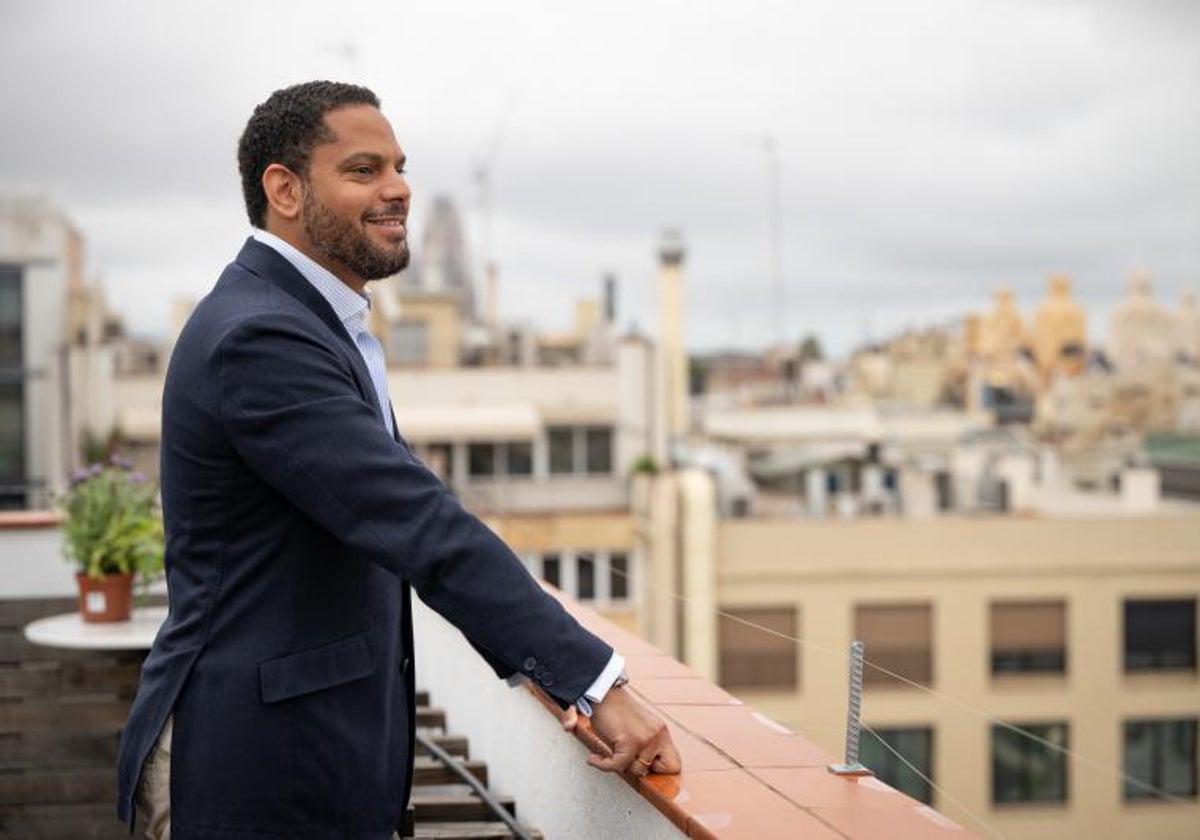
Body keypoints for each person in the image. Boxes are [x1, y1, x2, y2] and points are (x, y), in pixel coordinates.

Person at [116, 80, 680, 839]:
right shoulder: (260, 337)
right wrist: (593, 682)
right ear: (283, 189)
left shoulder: (314, 320)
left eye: (400, 167)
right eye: (364, 171)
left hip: (300, 751)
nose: (399, 190)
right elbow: (416, 521)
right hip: (257, 766)